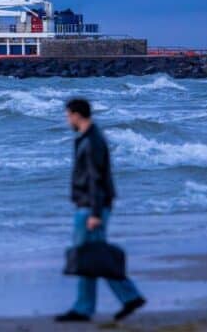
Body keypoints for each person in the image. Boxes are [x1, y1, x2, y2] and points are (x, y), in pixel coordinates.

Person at [55, 99, 147, 323]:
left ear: (77, 115)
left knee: (88, 256)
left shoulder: (92, 142)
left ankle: (86, 307)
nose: (67, 120)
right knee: (92, 256)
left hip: (91, 207)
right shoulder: (88, 139)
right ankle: (125, 297)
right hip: (90, 206)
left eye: (68, 115)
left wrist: (95, 213)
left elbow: (96, 180)